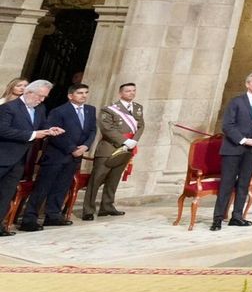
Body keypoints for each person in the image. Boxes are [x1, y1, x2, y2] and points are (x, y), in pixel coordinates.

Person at [19, 82, 96, 230]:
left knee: (62, 186)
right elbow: (53, 133)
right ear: (70, 95)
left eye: (86, 92)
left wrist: (86, 146)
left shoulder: (90, 110)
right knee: (43, 187)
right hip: (56, 155)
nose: (84, 95)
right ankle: (29, 219)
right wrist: (72, 148)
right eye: (80, 93)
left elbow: (93, 130)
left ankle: (53, 216)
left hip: (76, 156)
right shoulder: (59, 111)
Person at [213, 71, 252, 231]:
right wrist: (243, 140)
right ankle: (218, 218)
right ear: (247, 84)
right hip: (234, 147)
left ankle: (237, 216)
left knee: (244, 183)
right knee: (227, 183)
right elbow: (228, 125)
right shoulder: (236, 101)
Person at [0, 80, 62, 237]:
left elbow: (41, 126)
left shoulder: (40, 108)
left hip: (20, 160)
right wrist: (33, 135)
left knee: (6, 193)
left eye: (44, 97)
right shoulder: (8, 107)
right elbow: (3, 130)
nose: (42, 100)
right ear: (28, 92)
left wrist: (49, 130)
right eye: (40, 96)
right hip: (3, 156)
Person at [83, 81, 144, 220]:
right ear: (121, 93)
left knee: (114, 179)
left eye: (133, 90)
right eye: (128, 91)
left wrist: (134, 140)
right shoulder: (110, 109)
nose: (131, 93)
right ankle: (88, 209)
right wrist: (124, 141)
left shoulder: (138, 108)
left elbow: (141, 126)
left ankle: (107, 206)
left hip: (127, 148)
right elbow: (106, 128)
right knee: (97, 179)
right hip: (109, 148)